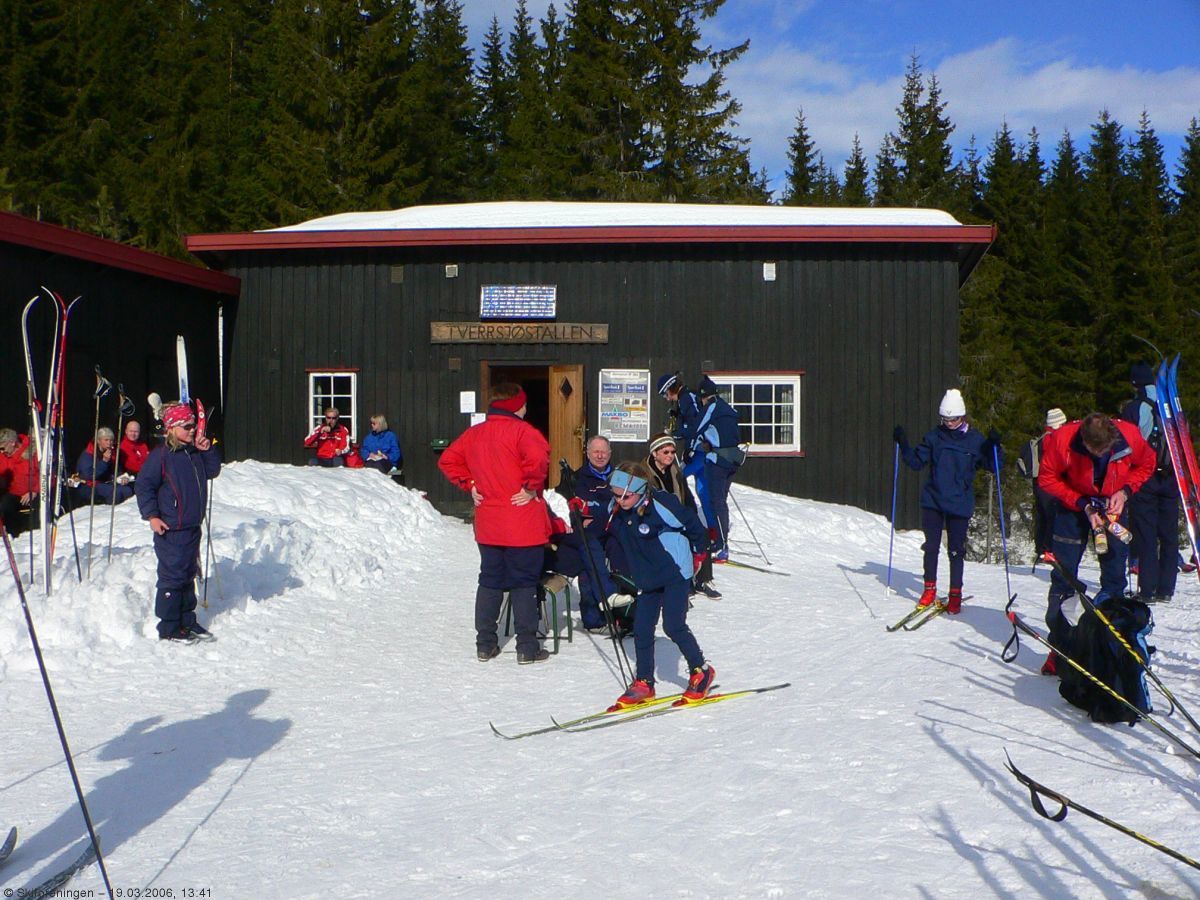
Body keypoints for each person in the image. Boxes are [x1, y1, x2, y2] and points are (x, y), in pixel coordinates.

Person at [438, 383, 552, 664]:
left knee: (489, 581)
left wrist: (470, 483)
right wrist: (530, 486)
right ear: (518, 406)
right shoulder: (524, 432)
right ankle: (527, 647)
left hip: (489, 523)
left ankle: (485, 644)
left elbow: (448, 460)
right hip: (522, 522)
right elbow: (539, 459)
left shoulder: (474, 433)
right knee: (523, 583)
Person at [1038, 411, 1155, 674]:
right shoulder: (1062, 440)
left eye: (1106, 451)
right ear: (1084, 441)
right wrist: (1082, 505)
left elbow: (1147, 464)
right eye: (1095, 451)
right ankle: (1058, 648)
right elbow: (1047, 478)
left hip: (1113, 505)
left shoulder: (1130, 436)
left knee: (1114, 576)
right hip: (1072, 505)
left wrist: (1125, 492)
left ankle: (1110, 647)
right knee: (1064, 577)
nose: (1101, 456)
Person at [605, 461, 715, 709]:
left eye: (626, 496)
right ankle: (644, 682)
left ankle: (701, 670)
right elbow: (600, 529)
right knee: (642, 628)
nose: (620, 501)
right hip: (647, 576)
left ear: (641, 490)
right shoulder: (617, 509)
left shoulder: (661, 503)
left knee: (673, 625)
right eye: (616, 495)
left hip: (675, 571)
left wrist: (699, 554)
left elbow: (694, 525)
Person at [893, 388, 1002, 615]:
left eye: (953, 419)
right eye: (945, 419)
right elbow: (915, 462)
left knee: (955, 551)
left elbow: (993, 467)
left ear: (962, 416)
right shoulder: (935, 437)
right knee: (931, 547)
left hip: (959, 502)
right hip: (933, 500)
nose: (949, 423)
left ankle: (955, 594)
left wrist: (994, 447)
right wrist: (903, 443)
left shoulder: (975, 440)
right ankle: (929, 589)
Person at [135, 402, 221, 641]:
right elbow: (144, 486)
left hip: (192, 526)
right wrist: (152, 516)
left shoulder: (193, 452)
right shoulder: (161, 456)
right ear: (172, 428)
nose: (192, 430)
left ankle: (187, 621)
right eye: (187, 426)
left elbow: (212, 471)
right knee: (172, 576)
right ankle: (169, 627)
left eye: (193, 425)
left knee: (187, 574)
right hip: (170, 528)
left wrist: (207, 450)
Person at [1120, 363, 1179, 603]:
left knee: (1146, 532)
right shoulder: (1171, 405)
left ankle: (1147, 589)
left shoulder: (1134, 408)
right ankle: (1166, 588)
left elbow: (1125, 445)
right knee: (1168, 533)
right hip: (1171, 477)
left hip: (1145, 476)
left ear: (1135, 383)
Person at [646, 432, 720, 600]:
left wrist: (692, 517)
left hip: (677, 515)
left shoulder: (676, 471)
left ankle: (702, 579)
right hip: (658, 519)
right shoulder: (646, 473)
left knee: (701, 531)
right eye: (665, 452)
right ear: (654, 453)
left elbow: (687, 497)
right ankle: (680, 583)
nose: (670, 456)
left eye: (672, 452)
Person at [683, 376, 743, 561]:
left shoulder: (711, 408)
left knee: (716, 503)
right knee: (721, 502)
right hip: (734, 460)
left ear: (703, 396)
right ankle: (721, 541)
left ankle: (721, 546)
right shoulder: (728, 408)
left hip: (718, 461)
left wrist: (689, 450)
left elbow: (697, 429)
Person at [570, 435, 625, 631]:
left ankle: (624, 616)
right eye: (596, 452)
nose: (600, 456)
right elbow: (578, 510)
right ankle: (594, 620)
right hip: (590, 534)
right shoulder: (577, 478)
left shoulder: (620, 476)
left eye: (604, 452)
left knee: (625, 561)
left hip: (615, 531)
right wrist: (604, 508)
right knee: (588, 568)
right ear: (587, 453)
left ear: (610, 453)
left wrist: (598, 509)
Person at [1017, 408, 1067, 563]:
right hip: (1051, 483)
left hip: (1039, 482)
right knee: (1052, 516)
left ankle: (1041, 550)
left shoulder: (1043, 438)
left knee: (1042, 516)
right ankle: (1048, 549)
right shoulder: (1055, 438)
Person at [76, 427, 135, 506]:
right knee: (114, 492)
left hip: (106, 482)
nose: (109, 443)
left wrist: (121, 477)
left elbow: (116, 470)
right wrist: (104, 461)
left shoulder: (112, 453)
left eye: (111, 440)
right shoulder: (88, 454)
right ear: (98, 441)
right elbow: (88, 475)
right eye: (106, 440)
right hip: (88, 485)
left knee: (127, 490)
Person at [0, 428, 38, 537]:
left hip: (34, 492)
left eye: (2, 448)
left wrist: (34, 491)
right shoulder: (3, 456)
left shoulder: (32, 451)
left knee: (39, 507)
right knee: (5, 504)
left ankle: (36, 534)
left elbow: (43, 473)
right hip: (14, 493)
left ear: (12, 443)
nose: (2, 451)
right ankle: (13, 535)